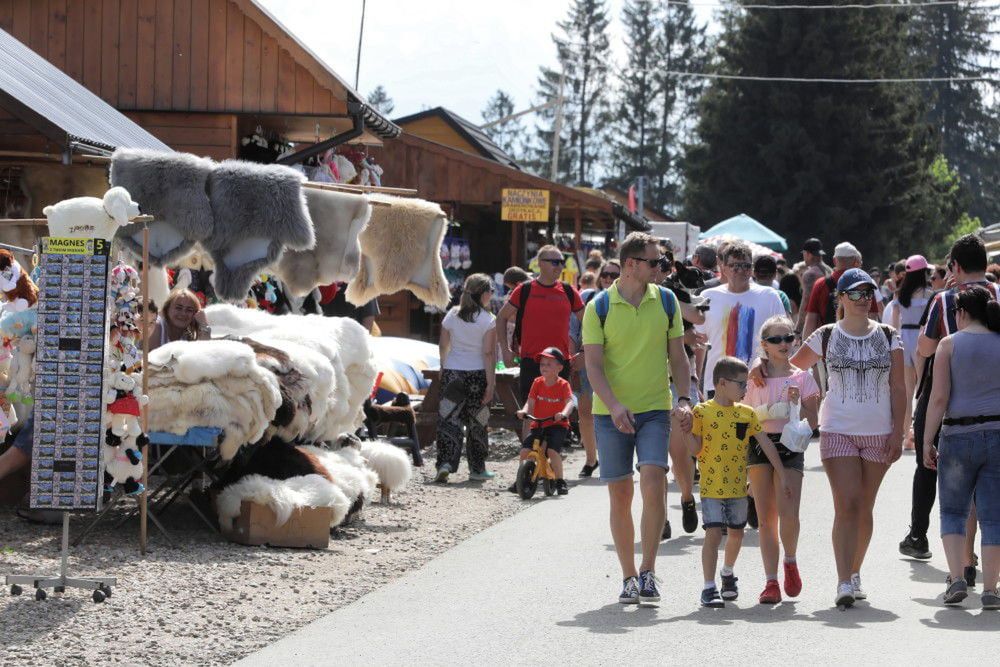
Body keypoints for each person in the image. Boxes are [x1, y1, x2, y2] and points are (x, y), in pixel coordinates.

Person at [582, 232, 692, 605]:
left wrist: (684, 397)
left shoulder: (666, 300)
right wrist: (613, 406)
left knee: (653, 480)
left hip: (654, 410)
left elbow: (678, 356)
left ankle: (648, 570)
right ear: (632, 264)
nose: (661, 268)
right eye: (654, 262)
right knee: (621, 495)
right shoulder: (598, 307)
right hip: (610, 414)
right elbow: (593, 367)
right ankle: (628, 576)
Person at [786, 268, 905, 608]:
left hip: (879, 432)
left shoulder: (888, 335)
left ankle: (855, 572)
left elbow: (899, 387)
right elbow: (791, 370)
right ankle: (842, 581)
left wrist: (899, 432)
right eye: (854, 294)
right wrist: (761, 371)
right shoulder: (825, 335)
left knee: (864, 507)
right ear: (840, 299)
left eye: (868, 293)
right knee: (848, 502)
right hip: (837, 428)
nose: (863, 300)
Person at [900, 234, 1000, 573]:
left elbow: (925, 349)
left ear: (954, 266)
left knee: (934, 468)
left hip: (951, 396)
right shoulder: (999, 294)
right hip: (993, 398)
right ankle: (981, 562)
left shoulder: (945, 300)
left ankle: (922, 536)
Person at [687, 356, 791, 608]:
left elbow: (765, 444)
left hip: (737, 487)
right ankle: (709, 586)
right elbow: (695, 448)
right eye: (742, 384)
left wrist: (782, 473)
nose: (746, 389)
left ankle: (727, 572)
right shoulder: (701, 412)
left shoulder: (747, 414)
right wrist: (683, 431)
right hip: (711, 487)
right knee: (712, 534)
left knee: (736, 535)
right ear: (722, 383)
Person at [922, 286, 1000, 609]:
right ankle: (992, 590)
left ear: (962, 313)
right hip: (997, 433)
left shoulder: (949, 345)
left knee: (953, 511)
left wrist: (928, 438)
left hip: (958, 435)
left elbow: (939, 398)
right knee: (994, 517)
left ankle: (956, 578)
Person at [744, 316, 820, 604]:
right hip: (759, 444)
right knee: (765, 520)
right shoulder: (754, 376)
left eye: (788, 337)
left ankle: (790, 561)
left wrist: (798, 403)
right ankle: (770, 581)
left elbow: (813, 422)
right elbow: (745, 414)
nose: (784, 344)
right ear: (764, 345)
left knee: (789, 513)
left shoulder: (803, 377)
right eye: (776, 340)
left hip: (789, 445)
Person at [495, 246, 585, 410]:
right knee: (530, 415)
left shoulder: (568, 291)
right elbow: (501, 317)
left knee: (557, 416)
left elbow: (589, 321)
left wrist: (584, 351)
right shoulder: (524, 290)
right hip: (531, 362)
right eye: (555, 262)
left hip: (560, 363)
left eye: (561, 262)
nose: (559, 266)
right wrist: (505, 349)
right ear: (539, 264)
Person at [696, 241, 786, 400]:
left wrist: (764, 360)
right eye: (735, 266)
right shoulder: (708, 297)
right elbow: (699, 343)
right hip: (717, 387)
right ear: (723, 268)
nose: (741, 271)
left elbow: (783, 340)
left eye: (746, 266)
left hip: (759, 385)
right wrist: (695, 383)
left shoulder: (769, 296)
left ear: (752, 269)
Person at [434, 274, 498, 483]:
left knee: (448, 418)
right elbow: (488, 354)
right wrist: (491, 382)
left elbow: (444, 344)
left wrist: (443, 366)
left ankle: (445, 463)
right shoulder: (488, 320)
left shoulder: (452, 315)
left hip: (453, 372)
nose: (492, 295)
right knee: (478, 422)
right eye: (491, 291)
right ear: (484, 294)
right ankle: (477, 468)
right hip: (478, 374)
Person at [571, 260, 621, 478]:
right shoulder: (588, 298)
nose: (608, 279)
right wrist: (573, 359)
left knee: (614, 409)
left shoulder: (626, 299)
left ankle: (615, 456)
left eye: (613, 275)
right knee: (585, 411)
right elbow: (573, 329)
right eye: (606, 274)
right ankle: (591, 459)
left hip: (618, 364)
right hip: (587, 360)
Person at [513, 347, 575, 496]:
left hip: (557, 425)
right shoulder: (537, 382)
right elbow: (530, 402)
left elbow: (570, 403)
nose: (544, 367)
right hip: (539, 423)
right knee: (525, 451)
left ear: (559, 368)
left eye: (549, 364)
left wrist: (563, 413)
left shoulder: (563, 385)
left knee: (552, 451)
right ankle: (521, 479)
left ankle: (560, 480)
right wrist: (524, 411)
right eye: (542, 364)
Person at [891, 256, 933, 450]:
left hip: (903, 338)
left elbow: (892, 324)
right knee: (923, 390)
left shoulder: (899, 295)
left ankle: (905, 435)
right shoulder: (929, 294)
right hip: (922, 338)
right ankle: (922, 434)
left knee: (908, 391)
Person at [800, 242, 881, 341]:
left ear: (834, 261)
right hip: (859, 344)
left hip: (828, 346)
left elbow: (811, 321)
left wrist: (806, 346)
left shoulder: (820, 284)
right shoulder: (865, 285)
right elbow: (872, 316)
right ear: (855, 261)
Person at [147, 289, 211, 352]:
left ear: (195, 314)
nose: (183, 313)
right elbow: (152, 360)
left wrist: (203, 324)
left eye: (189, 310)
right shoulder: (156, 326)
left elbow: (204, 353)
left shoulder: (188, 334)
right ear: (167, 309)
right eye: (178, 308)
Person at [795, 238, 832, 335]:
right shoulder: (830, 271)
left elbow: (806, 301)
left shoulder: (810, 274)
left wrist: (798, 329)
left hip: (815, 325)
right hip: (831, 321)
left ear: (808, 254)